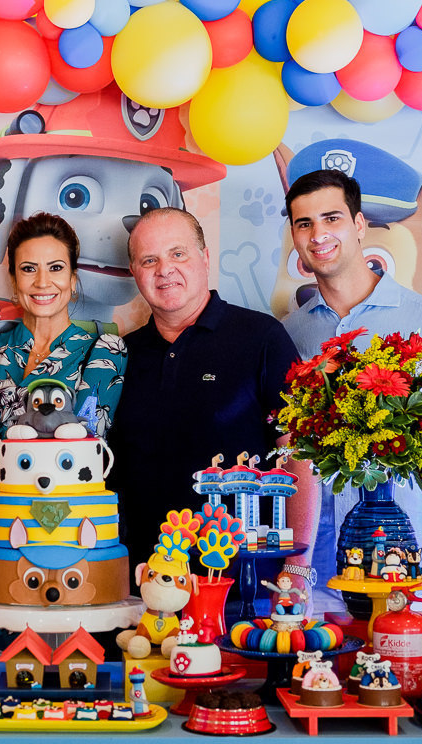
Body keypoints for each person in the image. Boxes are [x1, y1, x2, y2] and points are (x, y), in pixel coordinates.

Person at [281, 169, 422, 610]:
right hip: (316, 585)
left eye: (332, 218)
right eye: (304, 223)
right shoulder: (288, 335)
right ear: (295, 238)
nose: (318, 234)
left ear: (359, 226)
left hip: (410, 579)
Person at [108, 207, 316, 573]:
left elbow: (300, 454)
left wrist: (296, 571)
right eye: (149, 260)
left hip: (248, 587)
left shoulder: (262, 338)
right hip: (144, 584)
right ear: (134, 273)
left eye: (178, 253)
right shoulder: (121, 354)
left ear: (204, 257)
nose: (164, 269)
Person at [0, 213, 129, 531]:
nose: (43, 282)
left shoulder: (103, 351)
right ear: (14, 280)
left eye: (56, 268)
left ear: (72, 279)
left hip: (62, 529)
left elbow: (82, 449)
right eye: (29, 269)